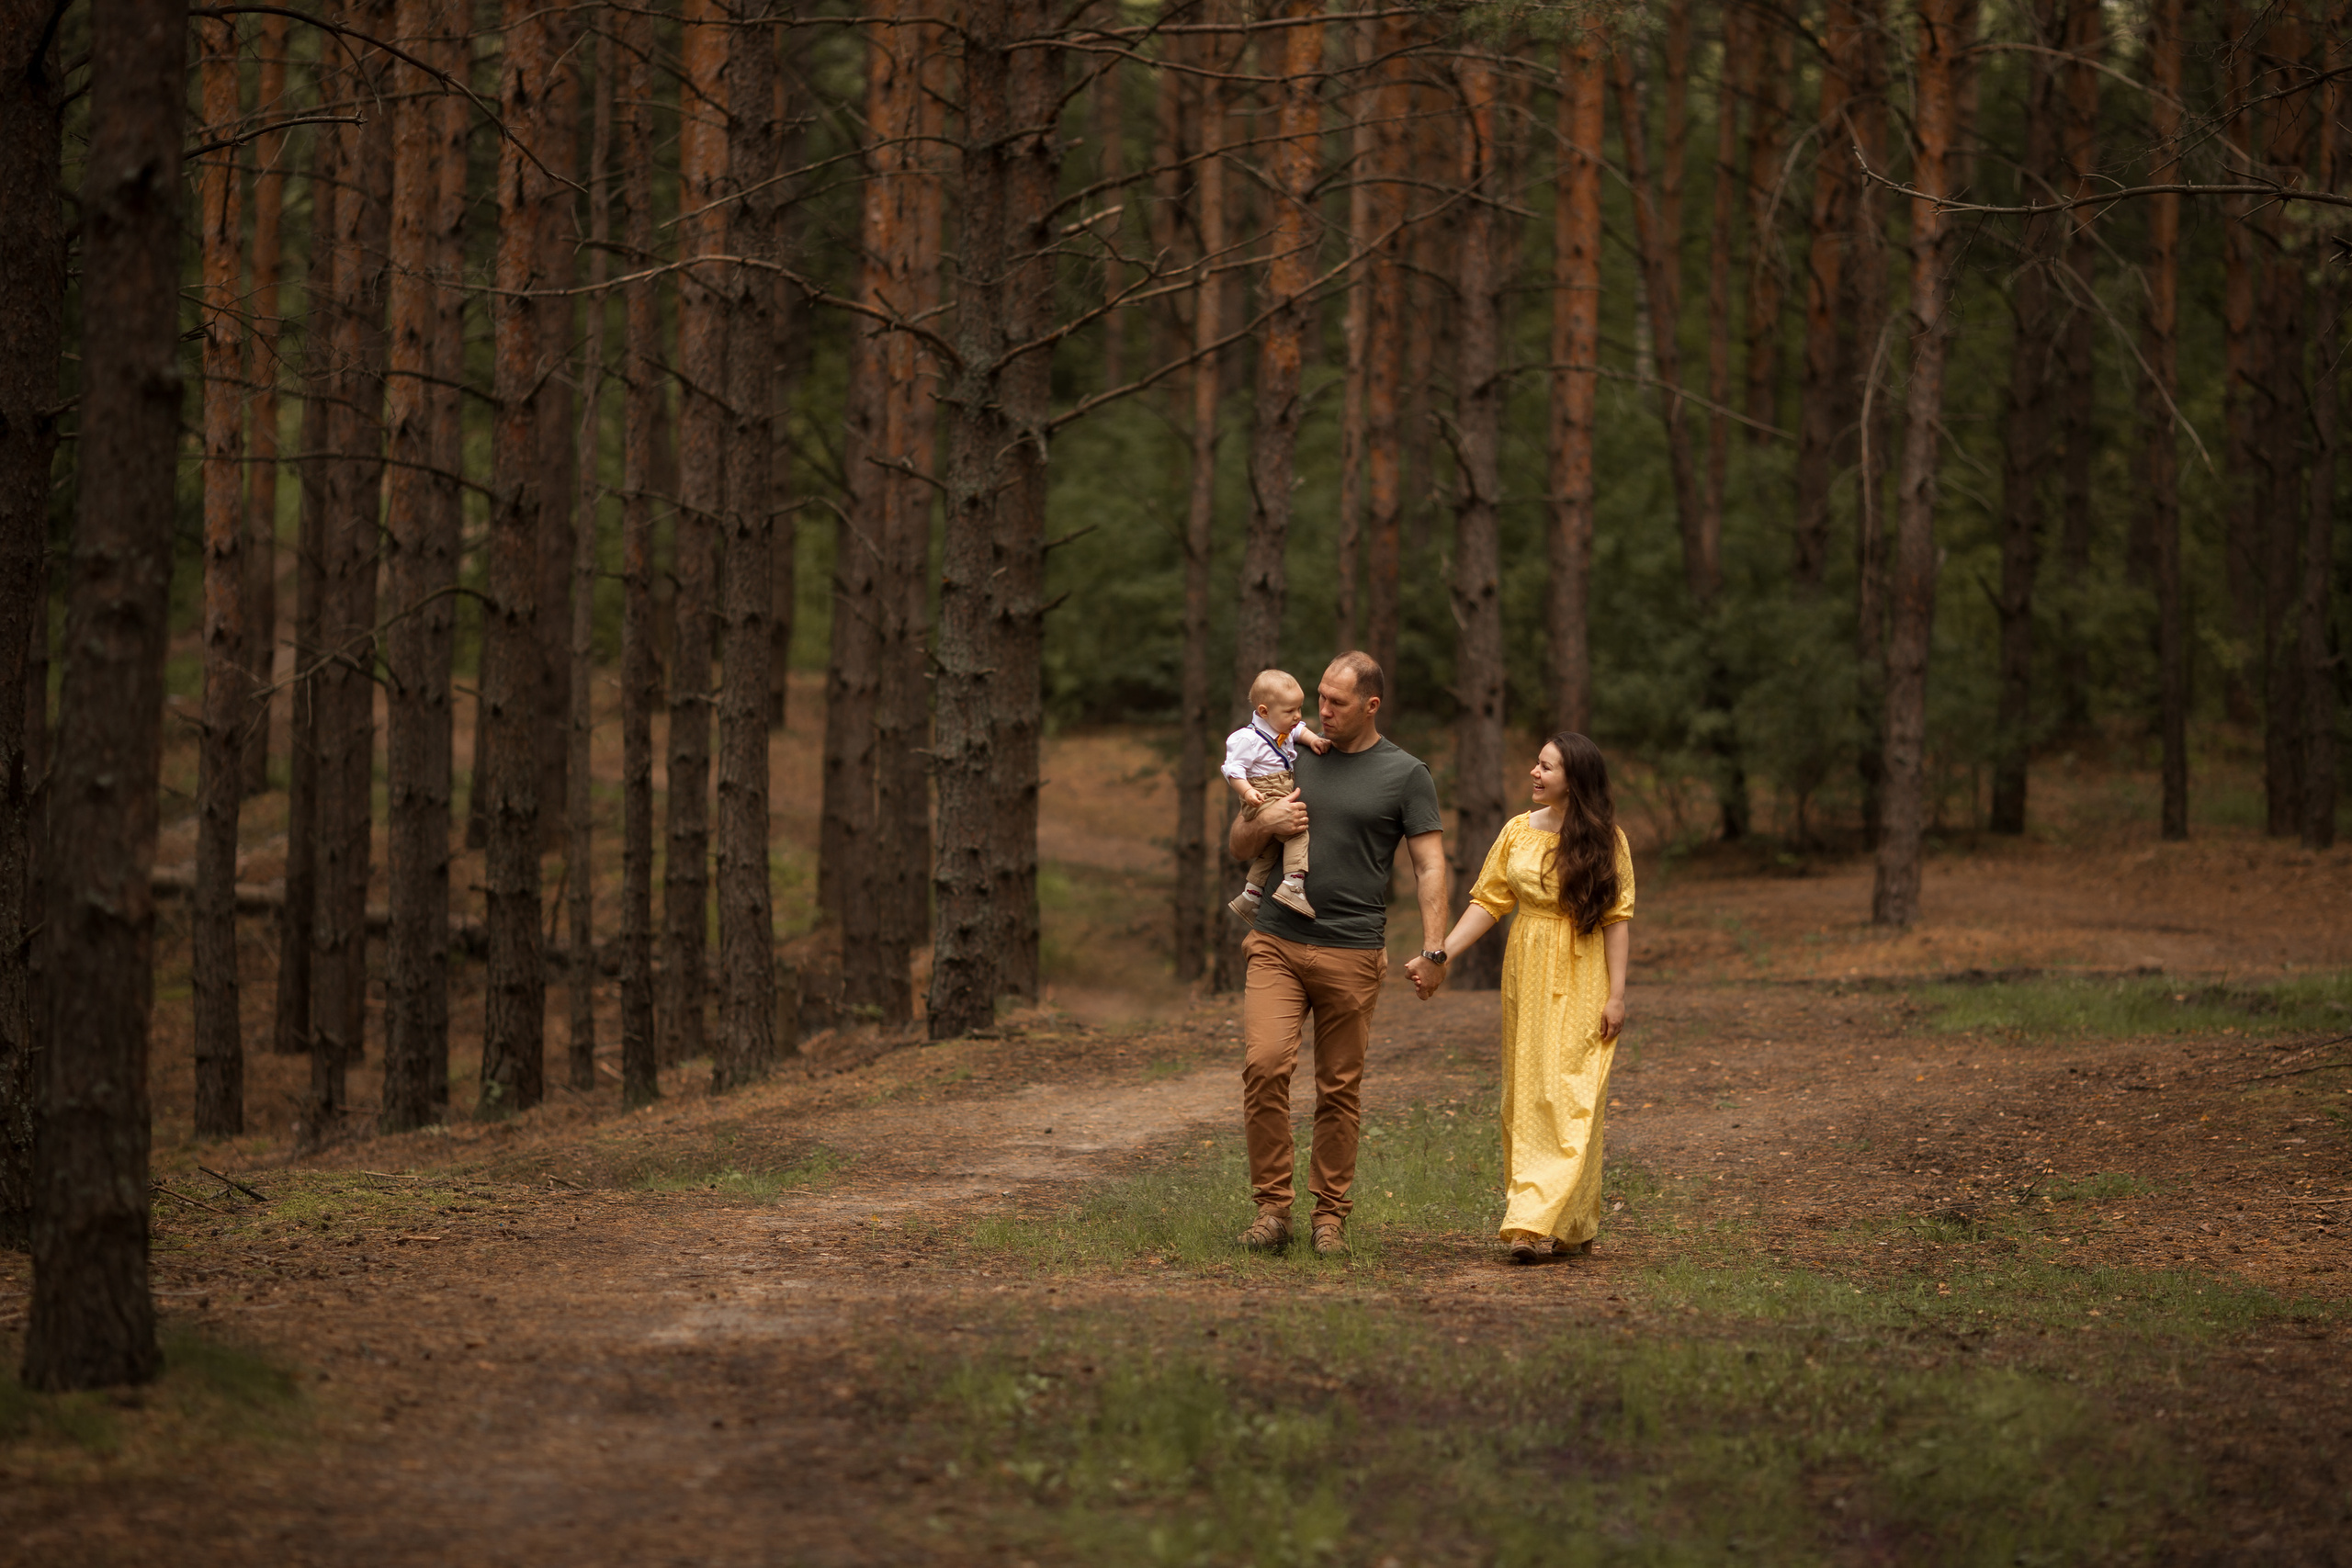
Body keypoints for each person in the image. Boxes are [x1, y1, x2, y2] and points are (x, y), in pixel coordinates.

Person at [1228, 652, 1448, 1258]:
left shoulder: (1405, 773)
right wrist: (1265, 820)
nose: (1321, 710)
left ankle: (1330, 1216)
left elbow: (1429, 863)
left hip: (1352, 949)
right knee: (1266, 1064)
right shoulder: (1290, 753)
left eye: (1337, 702)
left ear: (1371, 705)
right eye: (1319, 696)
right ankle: (1272, 1211)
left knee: (1338, 1087)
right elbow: (1239, 842)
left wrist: (1435, 948)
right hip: (1275, 938)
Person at [1406, 732, 1634, 1265]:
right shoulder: (1516, 833)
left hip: (1583, 973)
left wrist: (1617, 995)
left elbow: (1618, 920)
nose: (1533, 773)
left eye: (1546, 767)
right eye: (1536, 763)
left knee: (1570, 1093)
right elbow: (1488, 904)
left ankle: (1546, 1221)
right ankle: (1545, 1221)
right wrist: (1439, 955)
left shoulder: (1608, 840)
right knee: (1528, 1092)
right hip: (1526, 972)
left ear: (1574, 780)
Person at [1223, 668, 1331, 921]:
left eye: (1299, 708)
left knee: (1271, 846)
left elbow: (1298, 731)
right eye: (1290, 711)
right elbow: (1232, 770)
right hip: (1263, 791)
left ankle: (1250, 896)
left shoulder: (1282, 727)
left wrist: (1313, 739)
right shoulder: (1247, 739)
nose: (1297, 716)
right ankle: (1293, 885)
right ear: (1264, 712)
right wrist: (1248, 792)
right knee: (1296, 831)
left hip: (1278, 789)